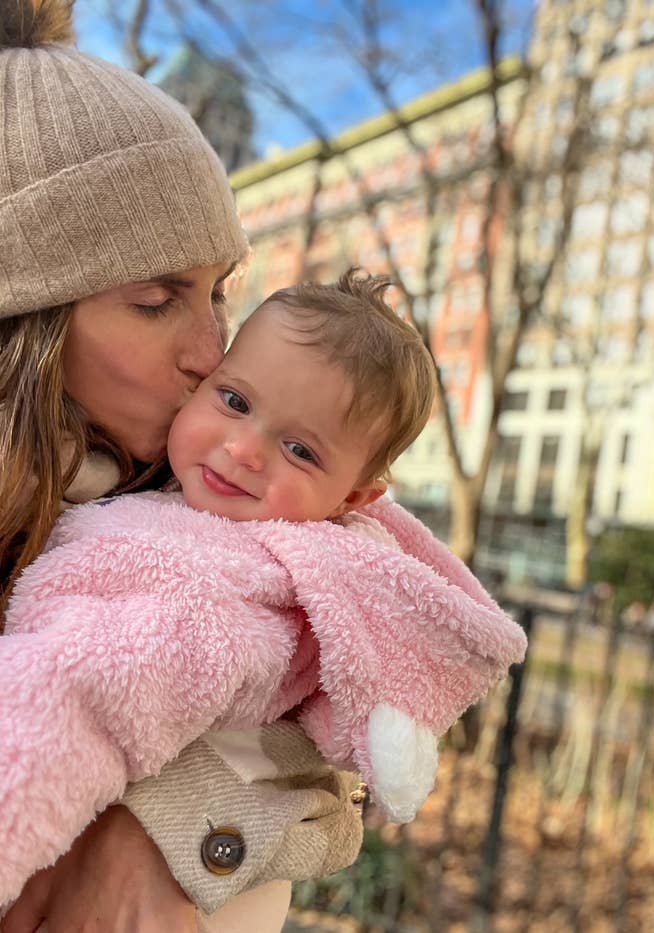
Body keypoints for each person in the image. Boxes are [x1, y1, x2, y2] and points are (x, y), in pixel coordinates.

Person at [0, 2, 363, 931]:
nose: (215, 350)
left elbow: (334, 785)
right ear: (24, 324)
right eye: (158, 298)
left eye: (218, 291)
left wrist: (150, 823)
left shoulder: (216, 514)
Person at [1, 271, 527, 909]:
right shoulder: (121, 478)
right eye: (234, 402)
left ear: (354, 498)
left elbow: (82, 698)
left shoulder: (254, 589)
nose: (245, 449)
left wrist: (148, 829)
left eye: (301, 450)